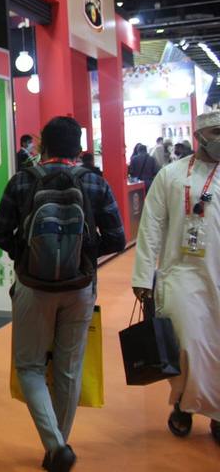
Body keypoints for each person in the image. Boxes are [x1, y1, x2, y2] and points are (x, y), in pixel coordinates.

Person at [0, 116, 125, 472]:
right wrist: (83, 257)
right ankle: (58, 446)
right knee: (69, 369)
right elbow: (117, 238)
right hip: (80, 288)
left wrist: (29, 256)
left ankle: (55, 445)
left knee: (30, 366)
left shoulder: (22, 180)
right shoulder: (94, 182)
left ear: (43, 145)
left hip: (33, 287)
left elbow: (1, 234)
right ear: (78, 146)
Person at [133, 109, 220, 445]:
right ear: (199, 136)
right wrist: (143, 277)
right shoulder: (170, 175)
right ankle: (184, 403)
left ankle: (216, 412)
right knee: (186, 346)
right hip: (181, 275)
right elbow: (151, 226)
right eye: (216, 133)